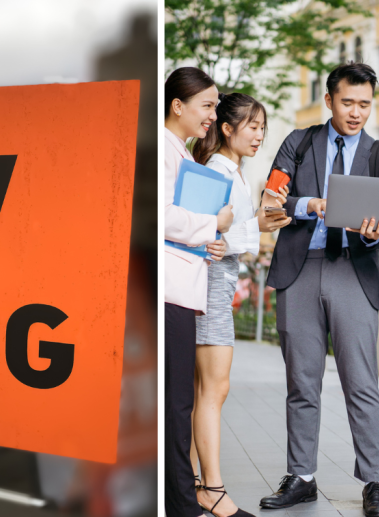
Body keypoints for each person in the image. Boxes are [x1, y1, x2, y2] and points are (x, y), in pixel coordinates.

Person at [257, 62, 379, 516]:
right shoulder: (299, 143)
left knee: (362, 382)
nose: (356, 113)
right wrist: (307, 204)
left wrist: (377, 232)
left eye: (364, 104)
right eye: (348, 102)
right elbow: (272, 198)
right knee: (301, 382)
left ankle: (374, 482)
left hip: (352, 271)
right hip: (300, 269)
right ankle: (301, 477)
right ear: (329, 101)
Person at [186, 92, 291, 517]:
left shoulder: (233, 170)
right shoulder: (217, 170)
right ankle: (211, 488)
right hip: (209, 287)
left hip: (216, 286)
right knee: (214, 388)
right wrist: (258, 227)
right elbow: (209, 239)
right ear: (226, 129)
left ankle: (192, 482)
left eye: (262, 127)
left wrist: (258, 224)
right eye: (251, 126)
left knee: (203, 391)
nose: (259, 135)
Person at [164, 66, 234, 517]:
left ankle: (180, 501)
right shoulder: (164, 153)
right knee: (175, 404)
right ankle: (182, 505)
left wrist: (209, 241)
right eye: (206, 106)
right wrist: (215, 223)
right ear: (177, 105)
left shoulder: (181, 154)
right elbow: (162, 216)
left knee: (176, 400)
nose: (212, 115)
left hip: (181, 287)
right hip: (167, 291)